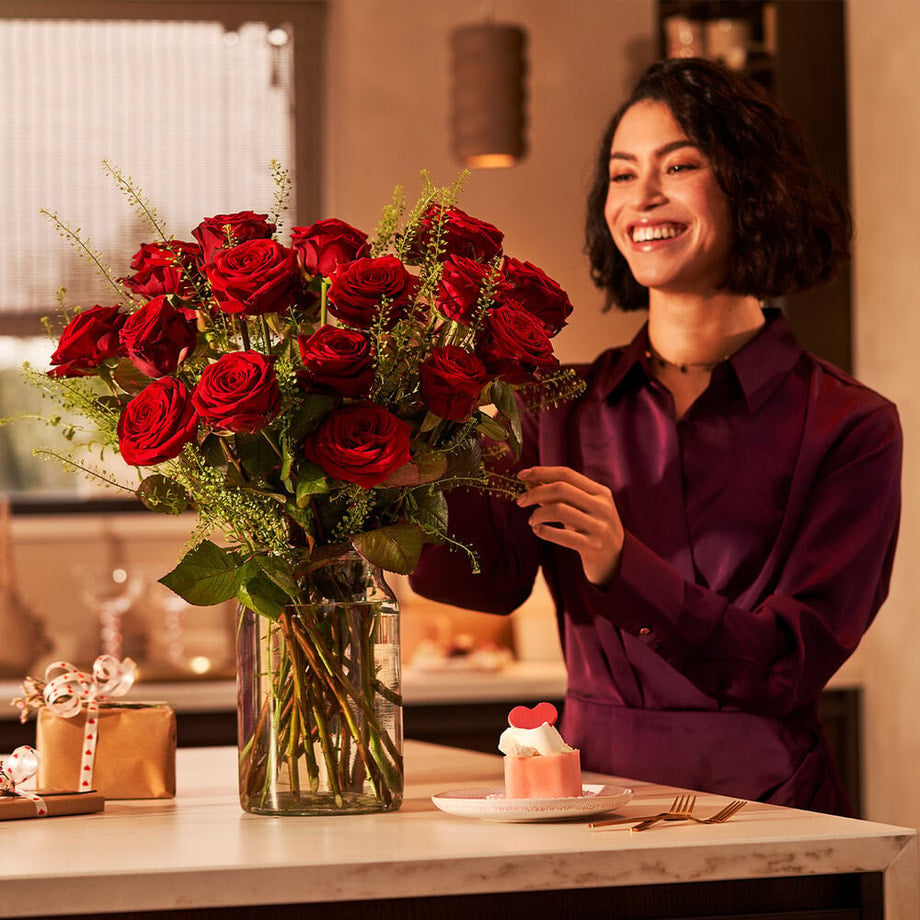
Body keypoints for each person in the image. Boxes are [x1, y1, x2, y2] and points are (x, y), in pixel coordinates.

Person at [409, 57, 902, 816]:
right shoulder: (550, 399)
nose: (643, 196)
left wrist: (619, 563)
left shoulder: (852, 425)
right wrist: (422, 427)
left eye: (680, 165)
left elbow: (787, 668)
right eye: (621, 172)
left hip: (769, 809)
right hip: (582, 801)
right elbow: (483, 581)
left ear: (752, 187)